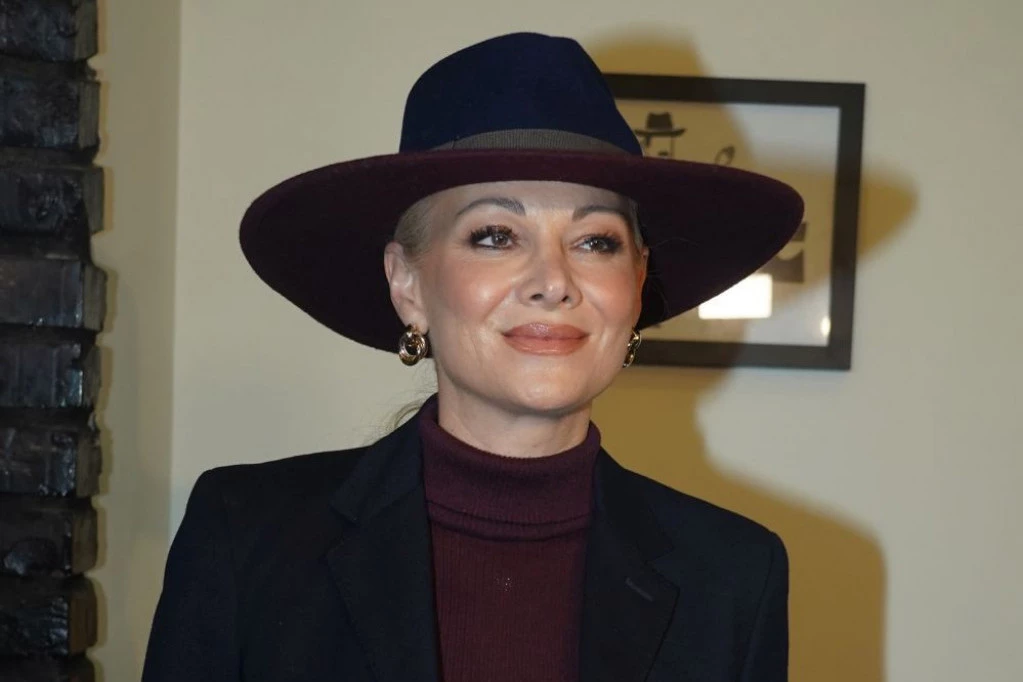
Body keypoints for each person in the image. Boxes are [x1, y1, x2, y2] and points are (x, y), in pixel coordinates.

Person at [141, 32, 802, 682]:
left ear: (635, 281)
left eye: (595, 242)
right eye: (495, 236)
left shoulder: (735, 574)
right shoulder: (246, 535)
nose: (554, 281)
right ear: (407, 285)